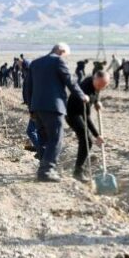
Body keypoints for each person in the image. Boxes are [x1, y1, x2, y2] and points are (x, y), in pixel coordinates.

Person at [24, 43, 89, 182]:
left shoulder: (35, 63)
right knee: (56, 138)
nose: (66, 57)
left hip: (37, 107)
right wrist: (82, 95)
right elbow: (70, 81)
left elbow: (29, 88)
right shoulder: (58, 61)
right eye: (66, 55)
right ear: (61, 51)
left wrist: (31, 108)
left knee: (43, 139)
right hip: (53, 107)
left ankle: (42, 167)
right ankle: (46, 171)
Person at [66, 71, 109, 182]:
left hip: (80, 113)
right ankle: (78, 172)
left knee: (86, 140)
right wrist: (97, 135)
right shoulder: (85, 90)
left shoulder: (93, 81)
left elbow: (97, 91)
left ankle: (79, 169)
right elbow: (87, 118)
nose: (100, 88)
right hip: (73, 114)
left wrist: (97, 102)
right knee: (87, 140)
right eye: (99, 85)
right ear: (95, 79)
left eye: (103, 86)